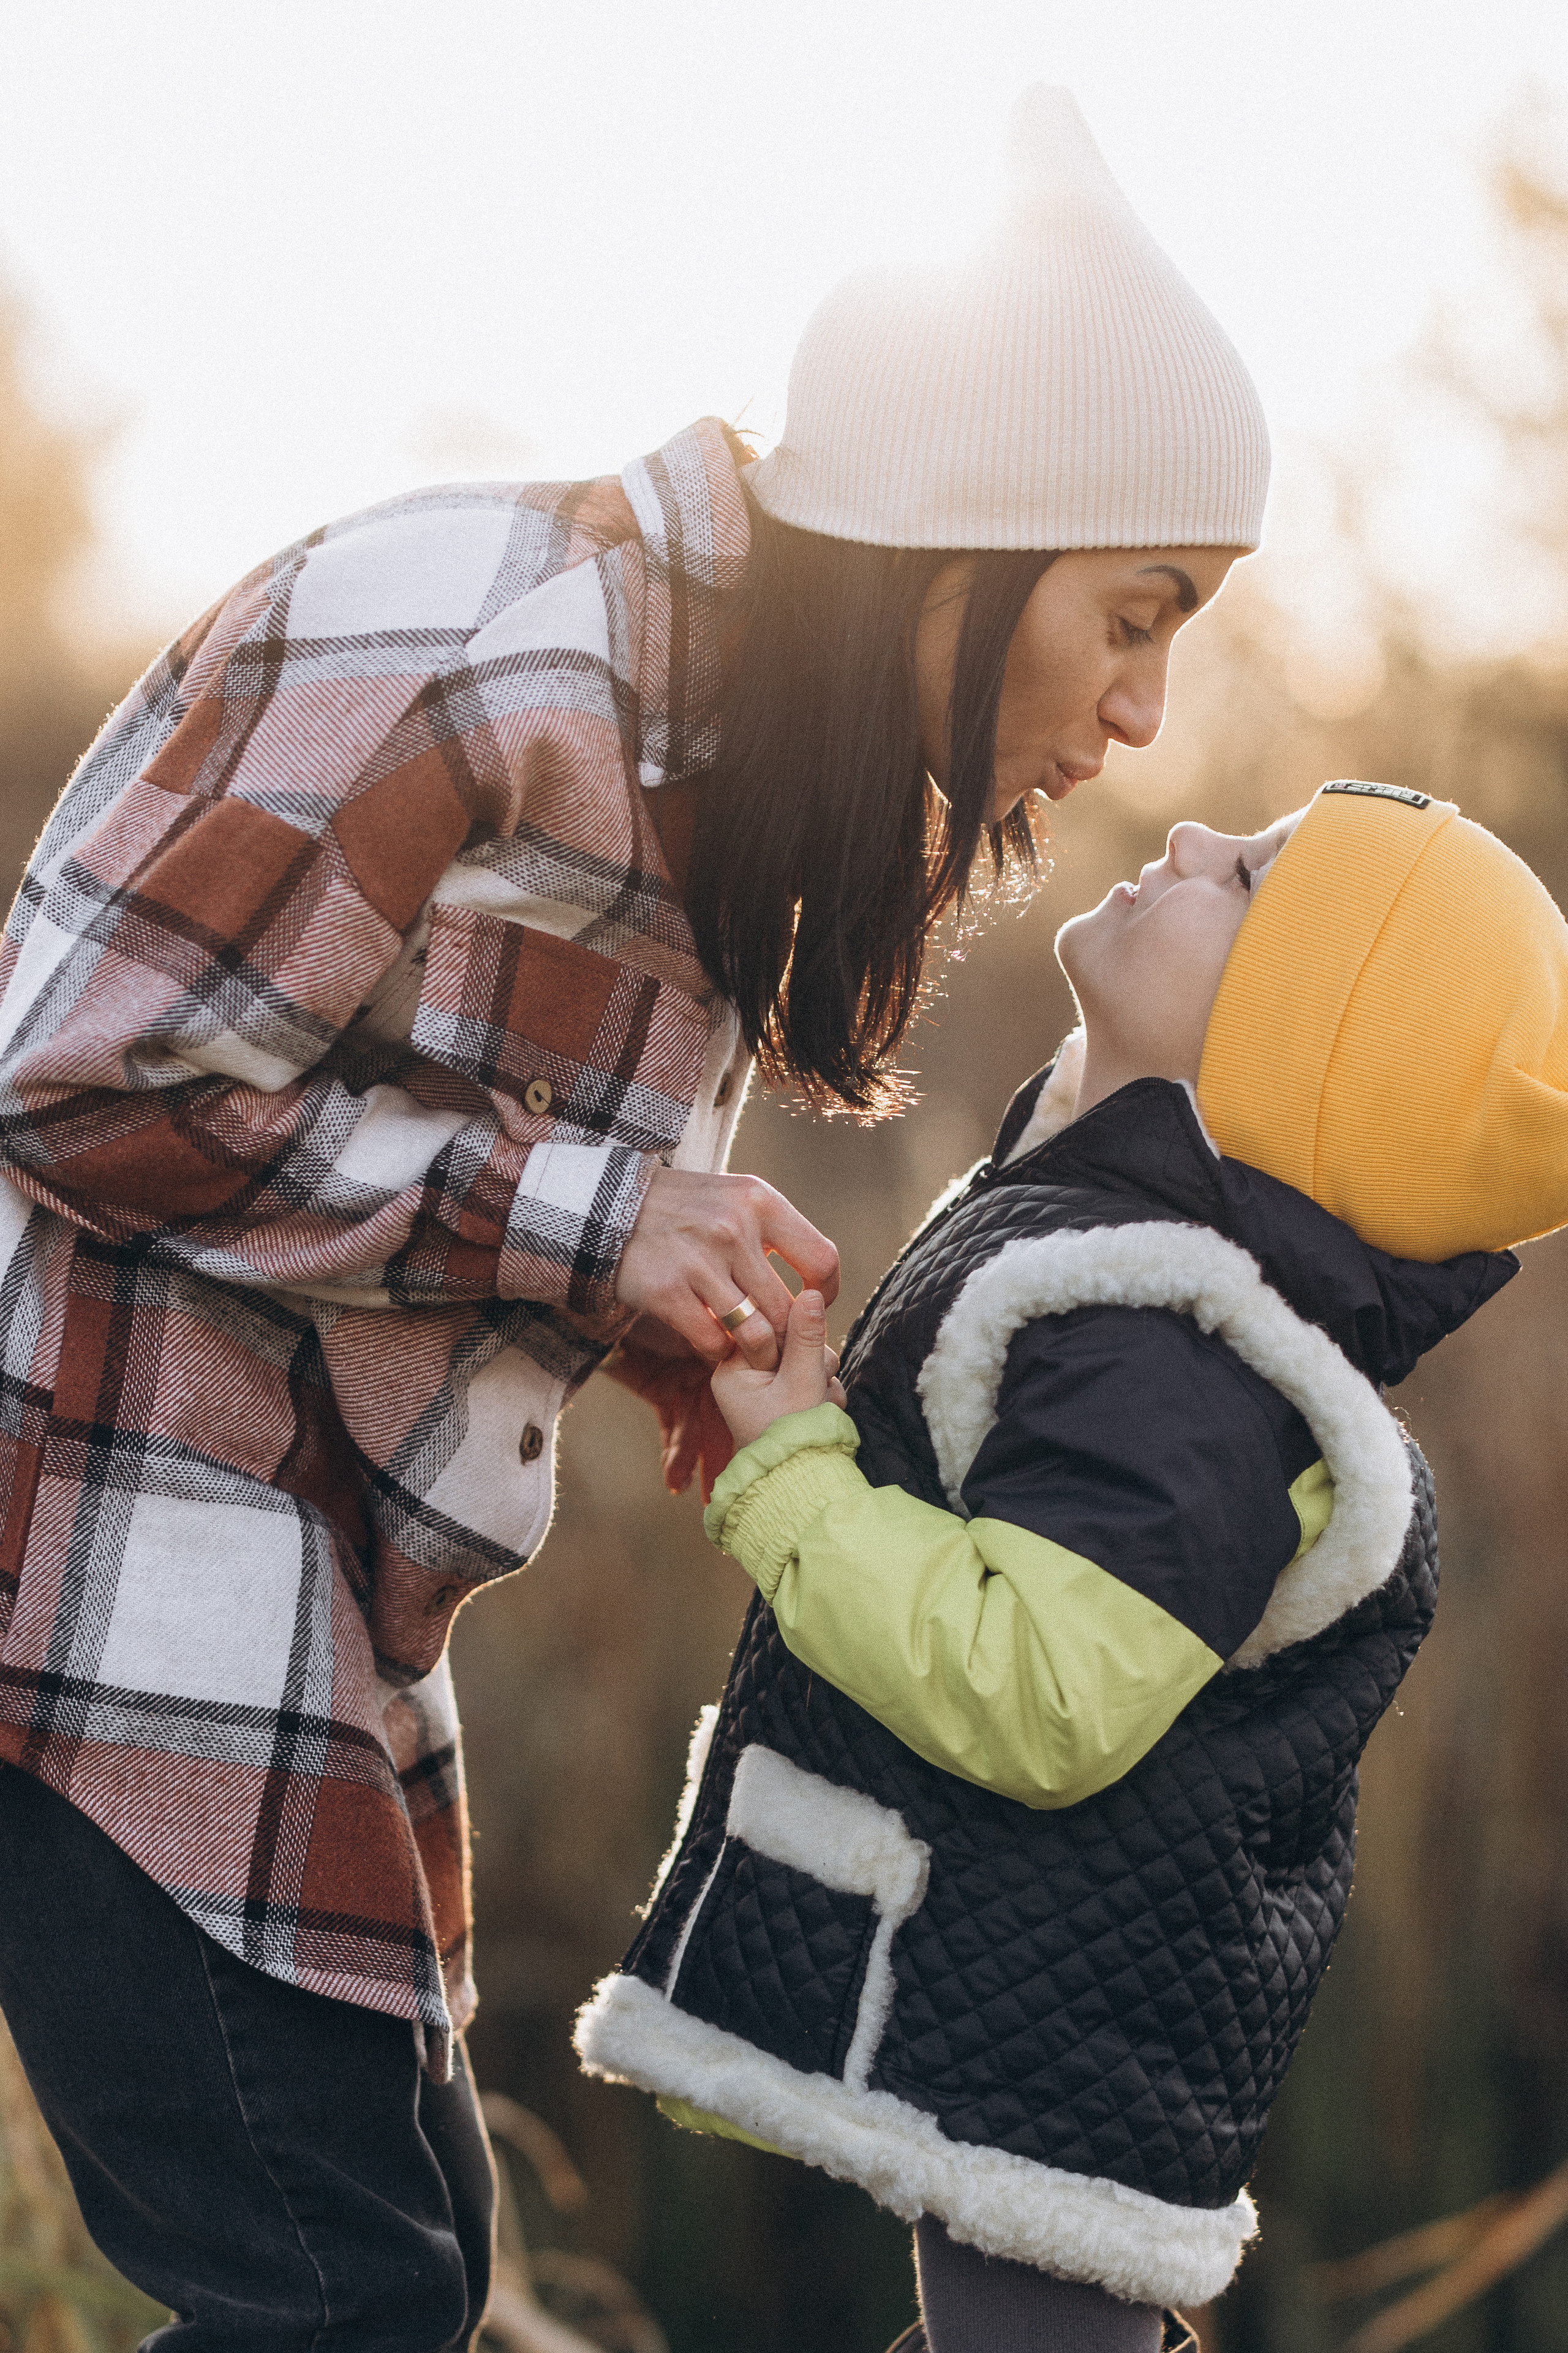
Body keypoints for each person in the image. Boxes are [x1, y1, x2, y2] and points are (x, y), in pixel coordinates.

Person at [0, 85, 1268, 2353]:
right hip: (87, 1570)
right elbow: (73, 1072)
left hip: (294, 1614)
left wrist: (636, 1288)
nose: (1146, 713)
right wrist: (590, 1225)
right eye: (1133, 613)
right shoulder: (491, 647)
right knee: (335, 2310)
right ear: (969, 538)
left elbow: (378, 1128)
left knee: (413, 2284)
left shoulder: (717, 740)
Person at [578, 779, 1568, 2352]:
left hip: (1060, 2044)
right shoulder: (1102, 1258)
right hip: (1018, 2002)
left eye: (1244, 881)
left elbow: (1041, 1691)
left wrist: (792, 1478)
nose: (1185, 842)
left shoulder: (1180, 1358)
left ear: (1293, 1060)